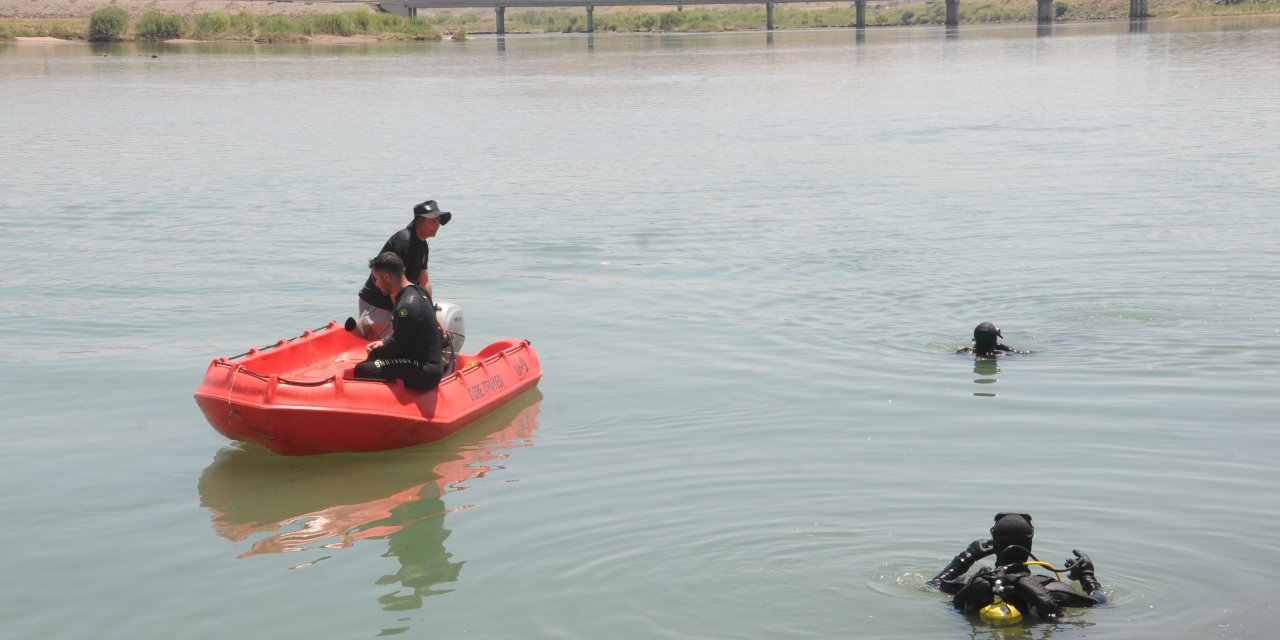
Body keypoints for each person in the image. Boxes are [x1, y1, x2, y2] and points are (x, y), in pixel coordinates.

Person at [929, 513, 1108, 623]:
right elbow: (1102, 604)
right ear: (1029, 544)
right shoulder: (1052, 589)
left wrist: (967, 557)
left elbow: (932, 585)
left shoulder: (969, 584)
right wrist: (1087, 577)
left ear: (996, 544)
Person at [353, 199, 452, 339]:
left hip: (398, 301)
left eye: (438, 221)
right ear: (419, 221)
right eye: (433, 221)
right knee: (400, 343)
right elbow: (392, 283)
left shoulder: (423, 245)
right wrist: (400, 317)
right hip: (377, 303)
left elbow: (425, 282)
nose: (437, 226)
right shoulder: (404, 243)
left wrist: (431, 314)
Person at [353, 252, 444, 392]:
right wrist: (383, 342)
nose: (376, 284)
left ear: (387, 277)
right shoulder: (418, 291)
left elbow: (397, 347)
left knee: (363, 369)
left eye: (376, 279)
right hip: (425, 362)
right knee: (377, 355)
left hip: (425, 371)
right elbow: (403, 333)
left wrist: (376, 354)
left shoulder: (406, 306)